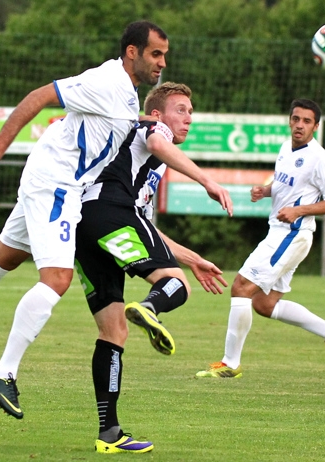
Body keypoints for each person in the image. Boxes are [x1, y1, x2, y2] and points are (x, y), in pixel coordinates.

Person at [0, 21, 231, 449]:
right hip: (59, 184)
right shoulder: (107, 80)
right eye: (156, 54)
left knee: (5, 258)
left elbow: (131, 126)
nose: (162, 62)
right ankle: (4, 372)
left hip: (58, 183)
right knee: (56, 279)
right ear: (131, 52)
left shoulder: (125, 96)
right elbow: (40, 97)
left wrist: (190, 255)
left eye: (165, 55)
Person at [74, 82, 230, 453]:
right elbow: (158, 146)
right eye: (180, 109)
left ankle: (109, 433)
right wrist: (207, 180)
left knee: (114, 331)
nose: (188, 117)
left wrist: (192, 260)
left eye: (191, 111)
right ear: (158, 113)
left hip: (85, 224)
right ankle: (149, 307)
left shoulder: (141, 165)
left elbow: (145, 228)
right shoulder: (151, 129)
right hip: (110, 210)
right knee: (176, 287)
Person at [196, 98, 325, 379]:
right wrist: (266, 191)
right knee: (264, 304)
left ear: (316, 126)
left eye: (306, 121)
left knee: (241, 287)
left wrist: (299, 210)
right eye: (296, 119)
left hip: (291, 234)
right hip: (283, 234)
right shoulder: (286, 148)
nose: (299, 125)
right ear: (289, 121)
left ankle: (230, 363)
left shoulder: (320, 159)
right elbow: (289, 184)